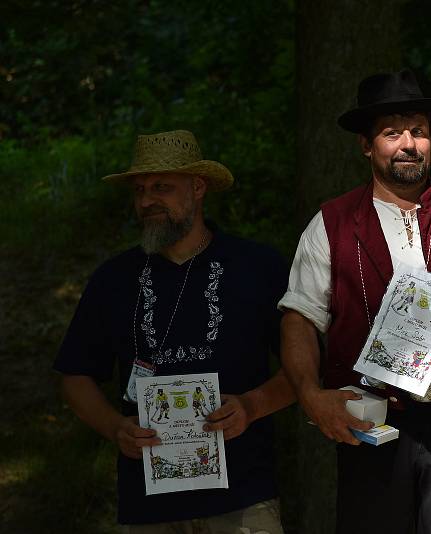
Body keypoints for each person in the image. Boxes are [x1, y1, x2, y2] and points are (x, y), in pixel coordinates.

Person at [279, 69, 431, 533]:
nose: (409, 144)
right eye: (392, 133)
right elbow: (300, 318)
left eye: (419, 131)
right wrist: (311, 396)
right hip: (369, 417)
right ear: (366, 145)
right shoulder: (331, 223)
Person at [54, 130, 294, 532]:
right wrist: (115, 428)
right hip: (148, 505)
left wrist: (253, 406)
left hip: (243, 498)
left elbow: (306, 366)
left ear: (198, 187)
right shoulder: (113, 279)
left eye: (162, 187)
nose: (147, 200)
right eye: (140, 189)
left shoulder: (257, 266)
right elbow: (75, 376)